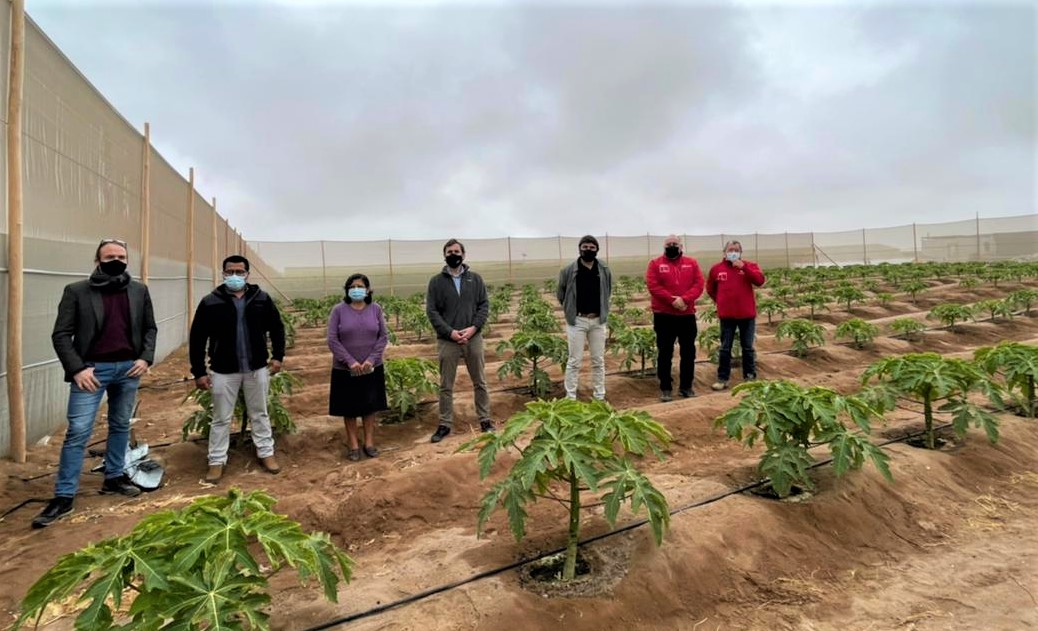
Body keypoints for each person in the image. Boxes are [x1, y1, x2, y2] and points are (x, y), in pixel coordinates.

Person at [32, 238, 158, 529]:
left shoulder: (139, 291)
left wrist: (145, 359)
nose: (117, 260)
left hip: (129, 369)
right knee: (78, 431)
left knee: (120, 424)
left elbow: (149, 328)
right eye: (110, 255)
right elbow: (61, 334)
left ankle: (113, 477)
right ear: (97, 260)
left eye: (122, 256)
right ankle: (64, 495)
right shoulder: (77, 291)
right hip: (92, 372)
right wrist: (77, 369)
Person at [189, 255, 286, 483]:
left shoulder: (261, 298)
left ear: (247, 274)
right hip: (224, 370)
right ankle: (216, 460)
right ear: (223, 273)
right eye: (230, 271)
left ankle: (266, 453)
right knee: (222, 417)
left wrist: (278, 356)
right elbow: (197, 338)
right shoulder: (210, 302)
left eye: (239, 272)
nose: (234, 276)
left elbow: (277, 328)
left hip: (256, 368)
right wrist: (199, 371)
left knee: (259, 413)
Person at [425, 238, 492, 442]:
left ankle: (485, 420)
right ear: (444, 255)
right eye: (449, 252)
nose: (453, 254)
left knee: (480, 381)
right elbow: (432, 311)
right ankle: (445, 424)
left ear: (463, 254)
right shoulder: (436, 282)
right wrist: (450, 332)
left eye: (456, 251)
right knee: (446, 384)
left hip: (473, 338)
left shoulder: (475, 279)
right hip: (448, 340)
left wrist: (473, 329)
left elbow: (483, 306)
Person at [327, 274, 389, 461]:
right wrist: (350, 361)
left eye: (360, 286)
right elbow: (332, 339)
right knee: (349, 407)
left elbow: (383, 337)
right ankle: (353, 444)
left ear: (368, 290)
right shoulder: (338, 310)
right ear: (347, 290)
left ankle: (369, 442)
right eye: (352, 286)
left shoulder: (375, 309)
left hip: (372, 367)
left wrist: (371, 359)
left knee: (370, 406)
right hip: (345, 369)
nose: (356, 289)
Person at [646, 234, 704, 402]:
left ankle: (686, 386)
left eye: (675, 244)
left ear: (681, 247)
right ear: (664, 247)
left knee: (688, 352)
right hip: (664, 315)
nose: (672, 246)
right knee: (664, 352)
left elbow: (699, 284)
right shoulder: (655, 264)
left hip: (686, 315)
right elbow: (653, 286)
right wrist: (673, 301)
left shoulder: (691, 263)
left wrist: (684, 300)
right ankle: (665, 387)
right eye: (668, 244)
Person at [557, 235, 612, 401]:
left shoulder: (603, 269)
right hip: (577, 321)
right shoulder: (568, 271)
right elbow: (561, 294)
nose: (588, 250)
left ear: (597, 250)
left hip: (597, 321)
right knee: (574, 360)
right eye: (585, 247)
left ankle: (599, 395)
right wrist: (570, 310)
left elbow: (607, 292)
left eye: (592, 248)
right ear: (580, 249)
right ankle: (570, 396)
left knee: (598, 360)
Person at [707, 240, 765, 390]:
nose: (733, 252)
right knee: (725, 348)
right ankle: (722, 379)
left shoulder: (750, 266)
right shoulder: (716, 269)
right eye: (730, 249)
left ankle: (750, 377)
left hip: (747, 315)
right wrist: (720, 301)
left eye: (736, 250)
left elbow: (759, 281)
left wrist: (744, 267)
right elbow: (710, 289)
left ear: (740, 253)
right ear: (724, 252)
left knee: (748, 347)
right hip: (727, 316)